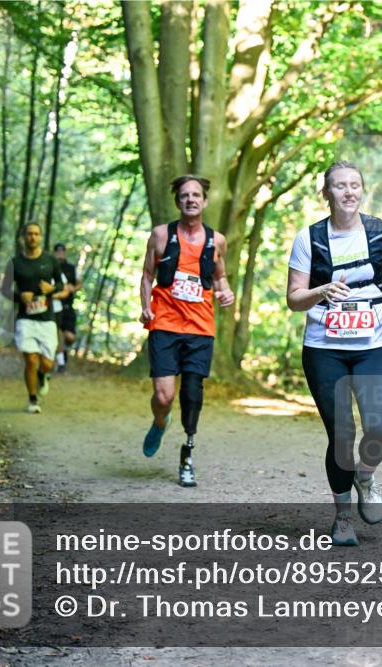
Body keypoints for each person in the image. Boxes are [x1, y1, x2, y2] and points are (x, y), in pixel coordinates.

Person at [286, 161, 382, 547]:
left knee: (381, 428)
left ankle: (365, 476)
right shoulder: (309, 239)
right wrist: (321, 291)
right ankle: (342, 518)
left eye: (355, 185)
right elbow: (294, 299)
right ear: (327, 193)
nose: (348, 192)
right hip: (325, 350)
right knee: (341, 434)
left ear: (363, 190)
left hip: (373, 345)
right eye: (340, 186)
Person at [139, 175, 235, 487]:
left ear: (205, 201)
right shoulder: (161, 235)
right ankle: (159, 421)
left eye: (196, 195)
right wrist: (145, 306)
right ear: (178, 201)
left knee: (192, 394)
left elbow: (220, 277)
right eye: (184, 195)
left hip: (200, 328)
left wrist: (226, 292)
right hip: (165, 325)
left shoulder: (216, 240)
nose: (190, 199)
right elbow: (147, 275)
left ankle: (188, 452)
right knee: (164, 396)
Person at [2, 223, 64, 413]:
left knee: (47, 363)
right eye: (29, 234)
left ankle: (42, 375)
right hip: (25, 318)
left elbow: (61, 284)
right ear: (24, 237)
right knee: (30, 359)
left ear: (41, 237)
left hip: (47, 318)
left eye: (36, 234)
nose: (33, 237)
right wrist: (19, 296)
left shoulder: (50, 260)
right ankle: (33, 399)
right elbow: (4, 289)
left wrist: (52, 289)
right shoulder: (14, 262)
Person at [51, 242, 82, 373]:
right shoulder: (50, 268)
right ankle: (61, 363)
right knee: (57, 334)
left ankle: (64, 350)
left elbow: (79, 284)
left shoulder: (71, 268)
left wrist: (72, 289)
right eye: (57, 252)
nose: (60, 254)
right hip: (54, 305)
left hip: (68, 306)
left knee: (69, 336)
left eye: (62, 251)